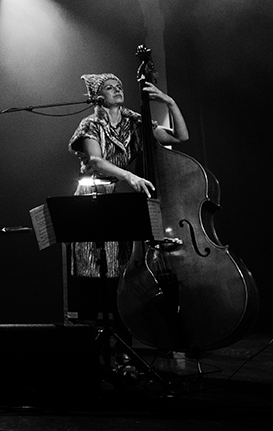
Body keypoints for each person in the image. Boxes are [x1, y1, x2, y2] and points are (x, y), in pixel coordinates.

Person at [65, 70, 188, 315]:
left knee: (121, 265)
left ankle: (123, 336)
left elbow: (181, 136)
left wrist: (169, 102)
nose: (117, 89)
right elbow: (96, 161)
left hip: (120, 196)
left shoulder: (135, 121)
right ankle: (92, 330)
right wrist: (129, 175)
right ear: (97, 96)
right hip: (94, 196)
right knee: (93, 264)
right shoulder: (89, 124)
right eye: (110, 87)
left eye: (118, 85)